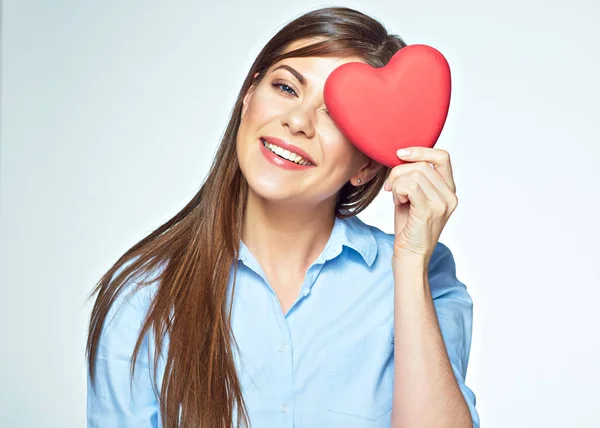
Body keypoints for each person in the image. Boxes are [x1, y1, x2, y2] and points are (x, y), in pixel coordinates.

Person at [86, 6, 479, 428]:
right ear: (248, 96)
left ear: (366, 165)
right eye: (286, 88)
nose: (297, 121)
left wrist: (410, 260)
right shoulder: (144, 293)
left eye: (336, 113)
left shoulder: (426, 276)